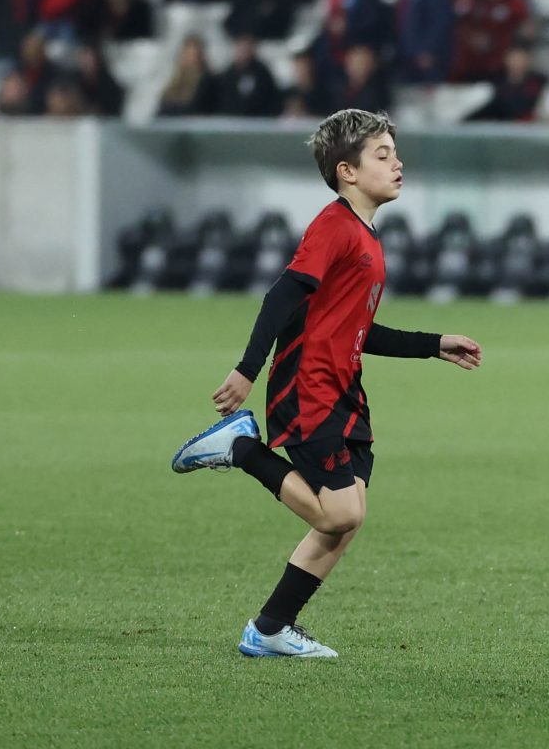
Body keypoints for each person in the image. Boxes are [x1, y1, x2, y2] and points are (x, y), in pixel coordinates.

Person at [167, 111, 483, 659]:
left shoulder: (366, 237)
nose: (397, 163)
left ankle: (270, 629)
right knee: (340, 514)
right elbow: (281, 295)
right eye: (382, 154)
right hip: (308, 389)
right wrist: (247, 370)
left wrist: (433, 344)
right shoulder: (334, 226)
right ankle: (240, 449)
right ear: (347, 171)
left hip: (344, 392)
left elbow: (358, 329)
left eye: (395, 152)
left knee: (346, 522)